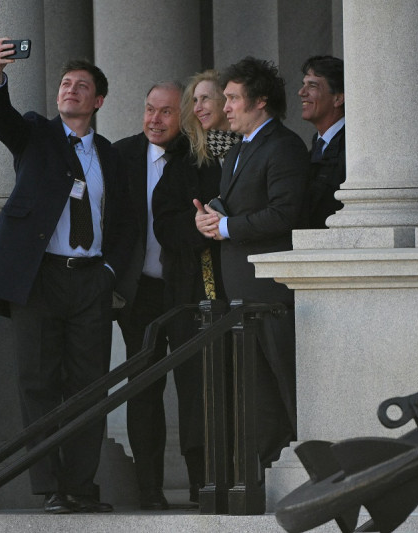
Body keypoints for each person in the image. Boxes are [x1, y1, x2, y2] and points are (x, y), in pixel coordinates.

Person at [0, 38, 133, 514]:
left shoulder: (111, 155)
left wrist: (110, 273)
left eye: (82, 86)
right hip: (39, 279)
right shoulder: (36, 134)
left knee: (89, 384)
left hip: (91, 280)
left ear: (98, 101)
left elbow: (125, 224)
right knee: (37, 384)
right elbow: (2, 118)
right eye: (65, 84)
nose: (70, 90)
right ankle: (51, 488)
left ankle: (80, 486)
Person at [195, 57, 309, 468]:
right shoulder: (238, 149)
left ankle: (309, 473)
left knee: (285, 390)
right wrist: (209, 219)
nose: (225, 107)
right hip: (243, 293)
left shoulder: (283, 146)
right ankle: (267, 475)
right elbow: (236, 209)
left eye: (232, 98)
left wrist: (226, 226)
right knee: (258, 396)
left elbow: (285, 213)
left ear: (260, 101)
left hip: (272, 295)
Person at [152, 69, 241, 504]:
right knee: (196, 387)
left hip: (243, 287)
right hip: (194, 293)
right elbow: (164, 223)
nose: (201, 106)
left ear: (230, 101)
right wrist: (199, 225)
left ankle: (244, 472)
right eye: (196, 100)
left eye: (209, 97)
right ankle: (202, 480)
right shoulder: (184, 160)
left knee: (242, 383)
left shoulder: (249, 149)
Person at [113, 81, 188, 510]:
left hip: (187, 290)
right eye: (149, 110)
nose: (154, 120)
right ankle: (149, 489)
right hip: (139, 292)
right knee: (143, 388)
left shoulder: (197, 155)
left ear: (184, 116)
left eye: (166, 112)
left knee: (197, 384)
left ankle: (205, 483)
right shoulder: (121, 155)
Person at [298, 55, 345, 229]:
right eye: (303, 84)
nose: (301, 92)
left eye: (312, 85)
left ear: (338, 98)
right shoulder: (316, 147)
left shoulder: (352, 147)